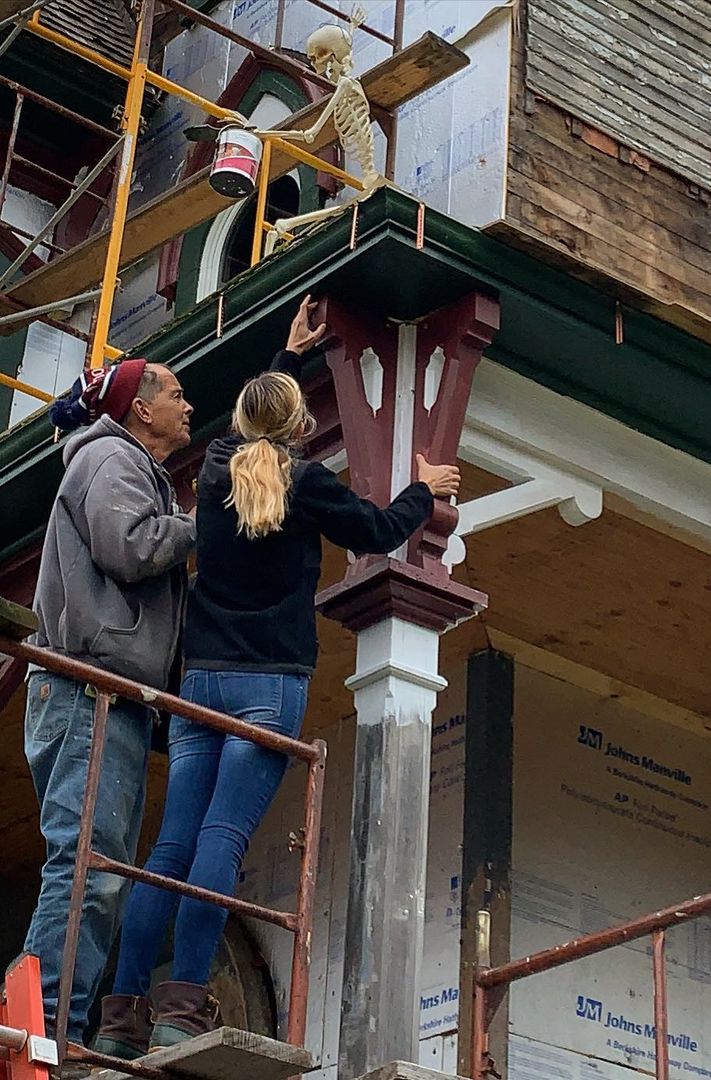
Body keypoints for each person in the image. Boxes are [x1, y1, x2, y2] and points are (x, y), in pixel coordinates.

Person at [93, 297, 460, 1059]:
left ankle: (122, 1012)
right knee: (222, 844)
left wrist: (287, 357)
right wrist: (426, 485)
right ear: (300, 428)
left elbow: (252, 422)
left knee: (171, 849)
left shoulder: (222, 466)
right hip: (269, 684)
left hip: (203, 685)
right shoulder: (303, 482)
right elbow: (384, 531)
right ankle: (182, 1006)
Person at [23, 357, 196, 1054]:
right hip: (87, 691)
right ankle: (40, 1030)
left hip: (98, 693)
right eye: (178, 395)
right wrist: (200, 526)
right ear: (142, 411)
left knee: (95, 872)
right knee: (86, 870)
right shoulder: (113, 462)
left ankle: (43, 1025)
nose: (190, 405)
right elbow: (129, 547)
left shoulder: (123, 465)